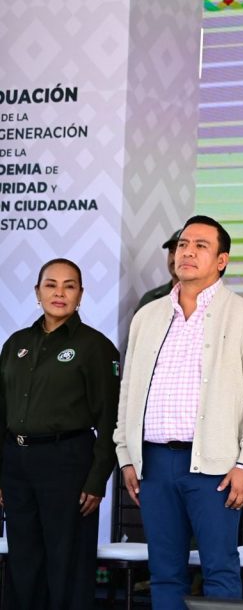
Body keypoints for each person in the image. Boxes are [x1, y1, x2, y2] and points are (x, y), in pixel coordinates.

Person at [114, 215, 243, 609]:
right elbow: (129, 391)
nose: (187, 252)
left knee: (219, 570)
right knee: (164, 572)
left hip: (216, 468)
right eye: (183, 245)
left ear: (222, 260)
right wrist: (126, 455)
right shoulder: (148, 316)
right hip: (154, 463)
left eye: (200, 246)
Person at [0, 258, 120, 610]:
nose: (59, 293)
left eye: (70, 286)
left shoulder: (95, 346)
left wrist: (97, 480)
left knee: (67, 563)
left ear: (81, 295)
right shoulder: (16, 343)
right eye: (51, 285)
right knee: (23, 560)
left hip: (67, 461)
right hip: (17, 463)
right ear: (37, 292)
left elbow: (110, 419)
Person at [136, 228, 180, 312]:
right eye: (171, 251)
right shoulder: (150, 299)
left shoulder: (204, 299)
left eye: (180, 251)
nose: (174, 258)